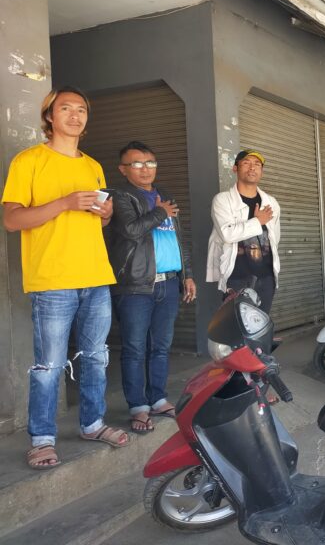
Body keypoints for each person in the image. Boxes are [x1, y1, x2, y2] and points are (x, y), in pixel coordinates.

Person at [2, 86, 130, 470]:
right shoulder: (29, 161)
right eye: (66, 109)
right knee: (49, 366)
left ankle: (92, 424)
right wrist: (64, 202)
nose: (75, 116)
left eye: (81, 110)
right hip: (53, 279)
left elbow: (99, 220)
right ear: (50, 116)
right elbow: (12, 220)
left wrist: (105, 214)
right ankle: (42, 439)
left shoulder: (93, 166)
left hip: (96, 274)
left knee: (96, 357)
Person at [107, 141, 196, 433]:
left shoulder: (165, 195)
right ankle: (138, 407)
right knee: (134, 348)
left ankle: (157, 399)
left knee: (161, 346)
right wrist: (159, 213)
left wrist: (187, 275)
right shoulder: (120, 196)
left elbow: (178, 238)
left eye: (150, 163)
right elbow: (130, 230)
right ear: (123, 169)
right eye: (137, 164)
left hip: (168, 283)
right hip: (135, 285)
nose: (145, 169)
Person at [206, 149, 280, 312]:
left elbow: (275, 237)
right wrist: (258, 221)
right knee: (237, 325)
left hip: (266, 278)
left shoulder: (271, 203)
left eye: (257, 164)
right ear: (235, 168)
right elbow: (227, 234)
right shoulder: (222, 200)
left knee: (261, 323)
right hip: (237, 278)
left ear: (261, 171)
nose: (252, 167)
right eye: (246, 163)